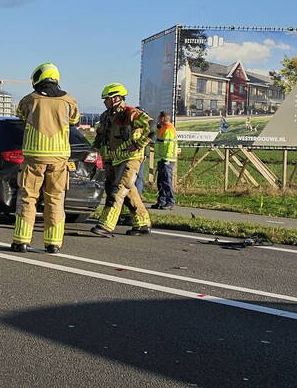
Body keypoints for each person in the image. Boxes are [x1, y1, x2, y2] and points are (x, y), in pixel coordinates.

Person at [10, 63, 79, 254]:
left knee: (28, 198)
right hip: (59, 159)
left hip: (34, 158)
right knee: (55, 199)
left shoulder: (29, 100)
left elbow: (21, 116)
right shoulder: (69, 101)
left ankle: (21, 241)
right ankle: (53, 244)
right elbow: (74, 121)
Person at [90, 83, 153, 237]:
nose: (104, 101)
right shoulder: (105, 116)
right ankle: (142, 223)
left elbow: (152, 129)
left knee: (118, 190)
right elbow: (100, 137)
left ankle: (106, 225)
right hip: (113, 159)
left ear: (117, 98)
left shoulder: (132, 114)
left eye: (107, 98)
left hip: (131, 158)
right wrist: (95, 152)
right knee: (129, 191)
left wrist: (138, 144)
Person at [152, 111, 178, 209]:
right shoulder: (162, 128)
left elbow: (169, 145)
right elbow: (157, 140)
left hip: (167, 159)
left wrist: (166, 159)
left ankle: (170, 201)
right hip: (162, 158)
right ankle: (161, 201)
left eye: (159, 117)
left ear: (163, 118)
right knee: (161, 181)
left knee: (166, 181)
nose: (158, 119)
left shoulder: (169, 129)